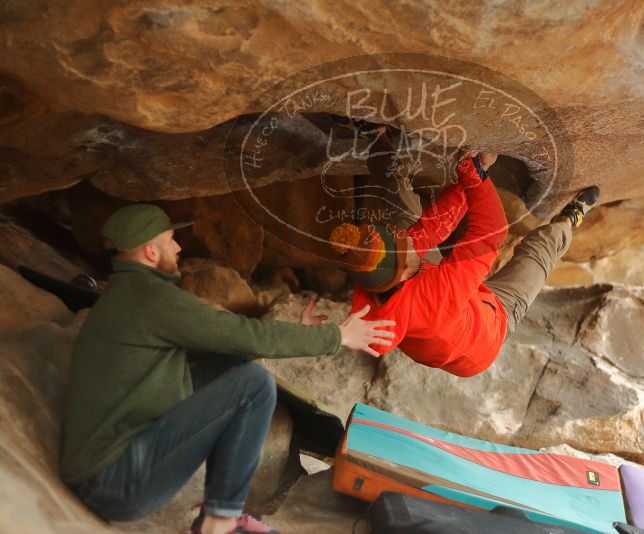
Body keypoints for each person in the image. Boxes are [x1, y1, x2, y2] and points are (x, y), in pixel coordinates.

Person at [60, 204, 395, 534]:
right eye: (170, 240)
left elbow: (233, 341)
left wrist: (301, 333)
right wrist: (337, 336)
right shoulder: (151, 299)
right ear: (150, 252)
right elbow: (244, 334)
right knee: (254, 384)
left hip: (107, 471)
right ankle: (218, 524)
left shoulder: (127, 295)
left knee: (232, 363)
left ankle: (216, 510)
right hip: (116, 483)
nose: (178, 247)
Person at [330, 150, 599, 377]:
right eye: (406, 246)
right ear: (403, 272)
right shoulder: (433, 296)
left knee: (404, 218)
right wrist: (475, 175)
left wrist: (475, 172)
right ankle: (570, 219)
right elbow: (493, 233)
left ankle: (379, 143)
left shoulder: (372, 276)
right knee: (539, 251)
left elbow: (430, 228)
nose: (410, 241)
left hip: (451, 303)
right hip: (491, 326)